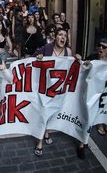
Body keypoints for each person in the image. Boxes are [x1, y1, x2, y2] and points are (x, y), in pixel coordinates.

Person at [33, 28, 73, 157]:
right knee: (44, 113)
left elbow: (72, 68)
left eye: (65, 35)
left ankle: (46, 132)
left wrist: (78, 60)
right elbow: (34, 59)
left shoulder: (68, 52)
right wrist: (38, 57)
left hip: (59, 90)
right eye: (60, 34)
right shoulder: (47, 48)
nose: (63, 37)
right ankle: (40, 142)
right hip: (45, 88)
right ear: (54, 37)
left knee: (51, 114)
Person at [86, 38, 107, 138]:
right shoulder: (92, 57)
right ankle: (100, 124)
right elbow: (84, 65)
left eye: (104, 47)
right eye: (99, 45)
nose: (100, 48)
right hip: (95, 88)